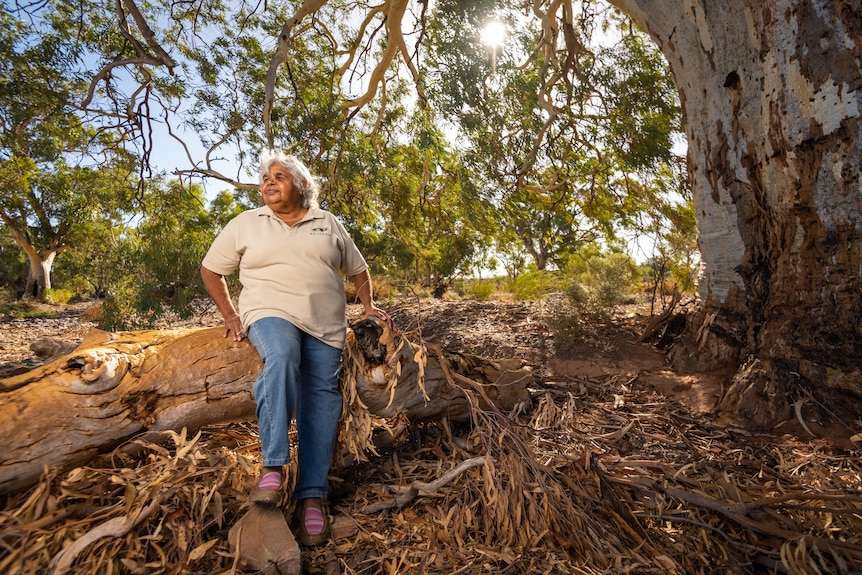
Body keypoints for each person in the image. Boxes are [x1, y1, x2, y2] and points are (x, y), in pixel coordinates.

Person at [200, 150, 394, 546]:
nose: (268, 182)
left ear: (302, 186)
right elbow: (210, 269)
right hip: (270, 312)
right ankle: (273, 464)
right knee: (283, 357)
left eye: (279, 176)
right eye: (265, 178)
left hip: (326, 325)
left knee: (321, 398)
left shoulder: (328, 223)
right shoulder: (247, 223)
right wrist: (231, 315)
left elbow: (357, 268)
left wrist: (369, 304)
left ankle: (312, 497)